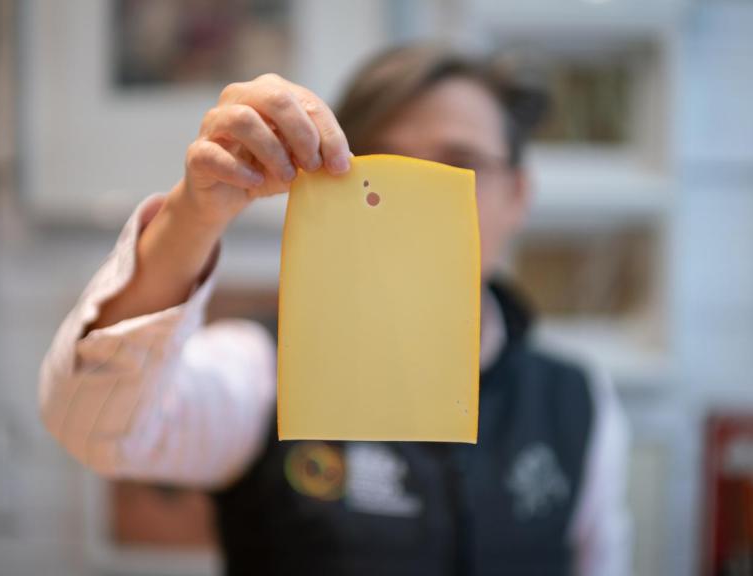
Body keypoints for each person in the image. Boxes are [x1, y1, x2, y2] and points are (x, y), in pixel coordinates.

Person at [40, 43, 631, 576]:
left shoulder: (578, 403)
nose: (414, 200)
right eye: (385, 164)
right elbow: (96, 427)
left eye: (458, 166)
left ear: (518, 194)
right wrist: (192, 217)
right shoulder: (262, 370)